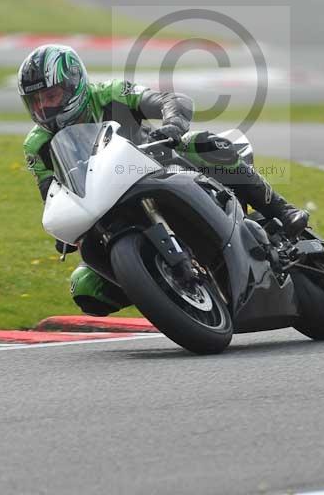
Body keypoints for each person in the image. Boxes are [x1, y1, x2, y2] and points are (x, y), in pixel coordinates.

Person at [19, 44, 308, 316]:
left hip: (159, 168)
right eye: (37, 101)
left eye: (51, 96)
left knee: (204, 144)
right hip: (106, 206)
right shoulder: (36, 146)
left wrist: (172, 126)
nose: (45, 107)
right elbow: (52, 193)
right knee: (85, 287)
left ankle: (281, 209)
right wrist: (65, 234)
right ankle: (163, 288)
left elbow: (171, 100)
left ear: (73, 84)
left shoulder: (110, 93)